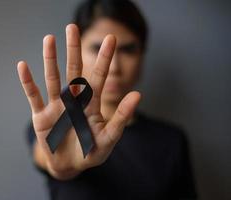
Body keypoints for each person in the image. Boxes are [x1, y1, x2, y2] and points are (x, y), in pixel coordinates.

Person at [17, 0, 197, 199]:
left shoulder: (170, 141)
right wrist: (62, 167)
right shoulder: (56, 129)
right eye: (97, 49)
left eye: (128, 50)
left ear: (142, 56)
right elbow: (46, 157)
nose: (114, 67)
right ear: (77, 50)